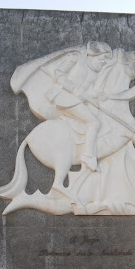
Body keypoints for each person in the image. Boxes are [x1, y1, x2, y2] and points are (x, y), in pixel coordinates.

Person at [45, 41, 113, 171]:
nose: (104, 62)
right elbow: (58, 74)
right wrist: (73, 89)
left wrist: (98, 95)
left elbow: (87, 92)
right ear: (94, 55)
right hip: (63, 97)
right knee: (94, 122)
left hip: (76, 100)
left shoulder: (95, 73)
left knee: (96, 114)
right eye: (103, 58)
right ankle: (88, 156)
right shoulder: (75, 58)